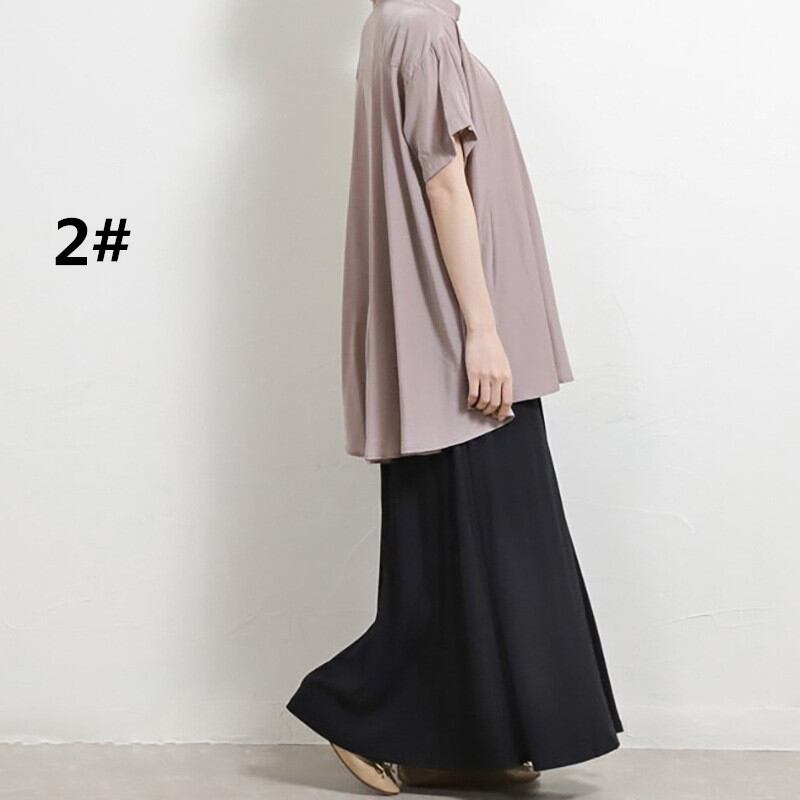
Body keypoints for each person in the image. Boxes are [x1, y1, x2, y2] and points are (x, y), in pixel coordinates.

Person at [287, 0, 623, 793]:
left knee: (453, 550)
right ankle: (351, 708)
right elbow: (444, 186)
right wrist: (482, 332)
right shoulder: (422, 27)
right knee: (498, 547)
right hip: (460, 344)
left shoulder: (392, 23)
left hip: (431, 341)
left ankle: (462, 740)